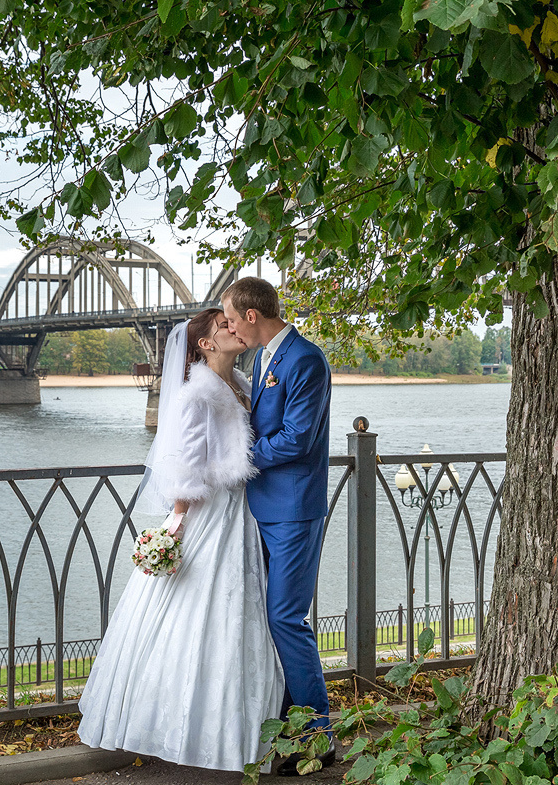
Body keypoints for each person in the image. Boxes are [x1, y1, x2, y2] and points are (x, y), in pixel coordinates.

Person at [78, 309, 285, 772]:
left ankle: (238, 733)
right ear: (205, 345)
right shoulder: (196, 396)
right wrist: (176, 522)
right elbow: (184, 464)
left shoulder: (243, 385)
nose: (234, 327)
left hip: (240, 511)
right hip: (212, 513)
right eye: (224, 326)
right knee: (198, 610)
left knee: (239, 613)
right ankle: (180, 727)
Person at [222, 277, 335, 776]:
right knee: (267, 617)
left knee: (286, 618)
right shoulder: (263, 358)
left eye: (232, 318)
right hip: (264, 506)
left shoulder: (306, 359)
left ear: (252, 315)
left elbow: (296, 439)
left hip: (293, 507)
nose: (230, 328)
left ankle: (318, 736)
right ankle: (287, 728)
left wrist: (237, 457)